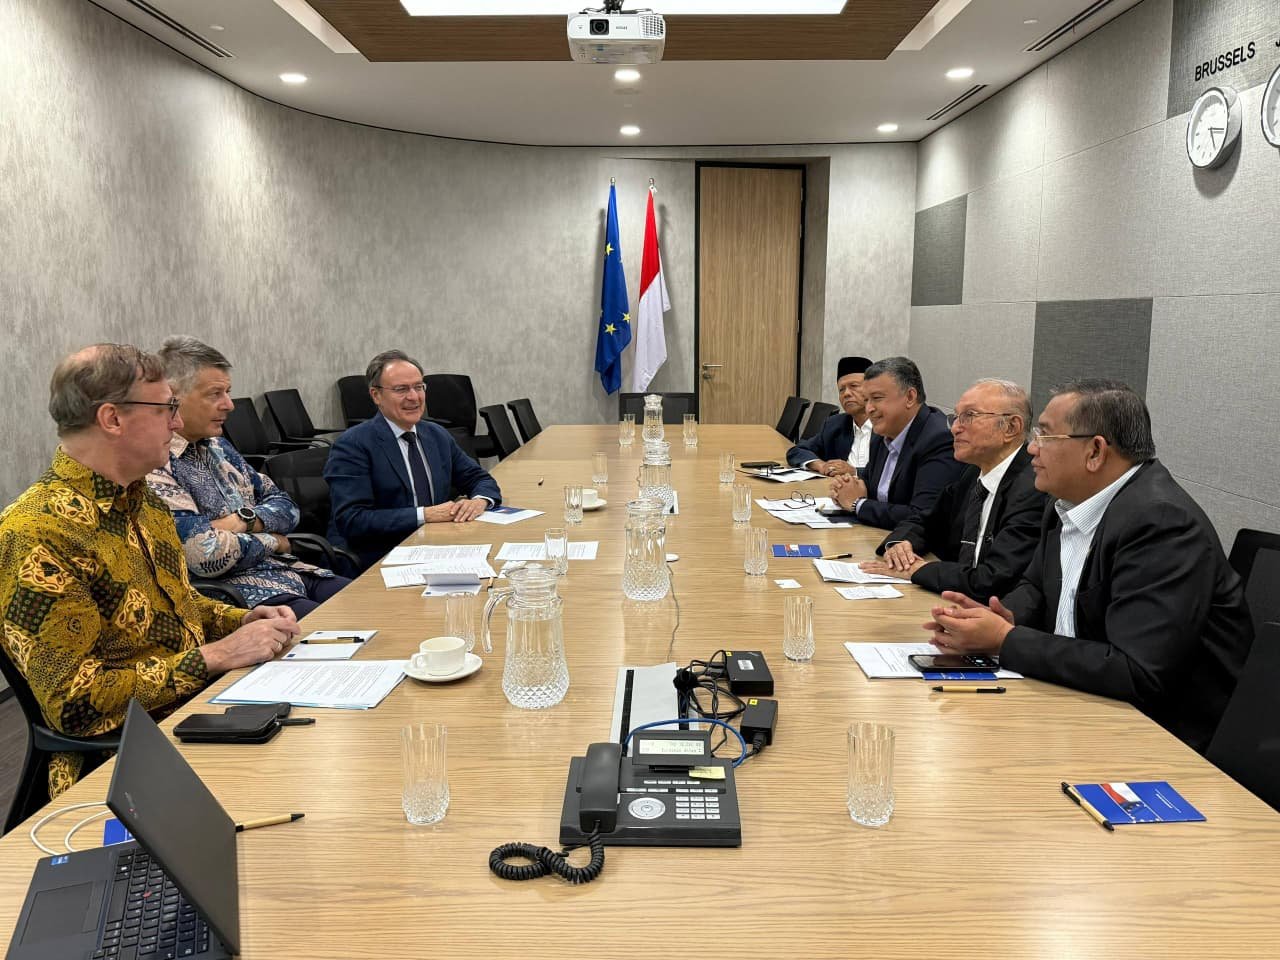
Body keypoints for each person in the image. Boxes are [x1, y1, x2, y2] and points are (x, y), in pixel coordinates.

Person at [0, 345, 301, 797]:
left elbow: (177, 604)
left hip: (200, 712)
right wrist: (216, 656)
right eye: (166, 409)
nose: (176, 424)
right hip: (124, 768)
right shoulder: (37, 533)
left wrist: (240, 620)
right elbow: (75, 705)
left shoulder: (145, 502)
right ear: (112, 419)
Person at [924, 379, 1252, 753]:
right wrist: (1002, 616)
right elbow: (1036, 586)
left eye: (1045, 436)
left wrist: (1005, 639)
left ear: (1095, 451)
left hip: (1158, 736)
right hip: (1079, 702)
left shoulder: (1161, 523)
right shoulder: (1064, 502)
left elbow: (1136, 671)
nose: (1031, 448)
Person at [146, 337, 351, 618]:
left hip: (288, 570)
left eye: (228, 392)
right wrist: (275, 541)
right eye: (215, 394)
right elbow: (205, 554)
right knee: (339, 627)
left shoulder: (219, 448)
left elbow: (287, 506)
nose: (229, 404)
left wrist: (240, 521)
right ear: (173, 398)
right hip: (236, 596)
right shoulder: (156, 464)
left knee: (375, 605)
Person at [860, 379, 1046, 600]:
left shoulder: (1032, 489)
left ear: (1011, 427)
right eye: (956, 417)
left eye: (969, 416)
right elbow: (925, 520)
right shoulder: (973, 473)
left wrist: (919, 570)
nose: (955, 428)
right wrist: (901, 543)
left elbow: (994, 579)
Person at [325, 350, 502, 569]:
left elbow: (479, 478)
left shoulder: (436, 434)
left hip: (436, 544)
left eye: (418, 387)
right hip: (380, 556)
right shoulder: (353, 445)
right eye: (401, 389)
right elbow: (353, 520)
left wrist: (479, 501)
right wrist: (425, 515)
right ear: (376, 395)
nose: (414, 397)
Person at [830, 356, 962, 530]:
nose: (869, 408)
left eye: (877, 398)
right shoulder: (882, 433)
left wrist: (857, 504)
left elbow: (922, 516)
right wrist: (848, 487)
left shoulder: (939, 439)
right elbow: (868, 483)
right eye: (867, 400)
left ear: (910, 397)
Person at [786, 355, 873, 474]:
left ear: (873, 389)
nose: (846, 394)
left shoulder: (888, 428)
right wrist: (821, 465)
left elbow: (889, 473)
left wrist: (854, 472)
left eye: (854, 386)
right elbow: (796, 451)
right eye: (841, 389)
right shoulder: (835, 424)